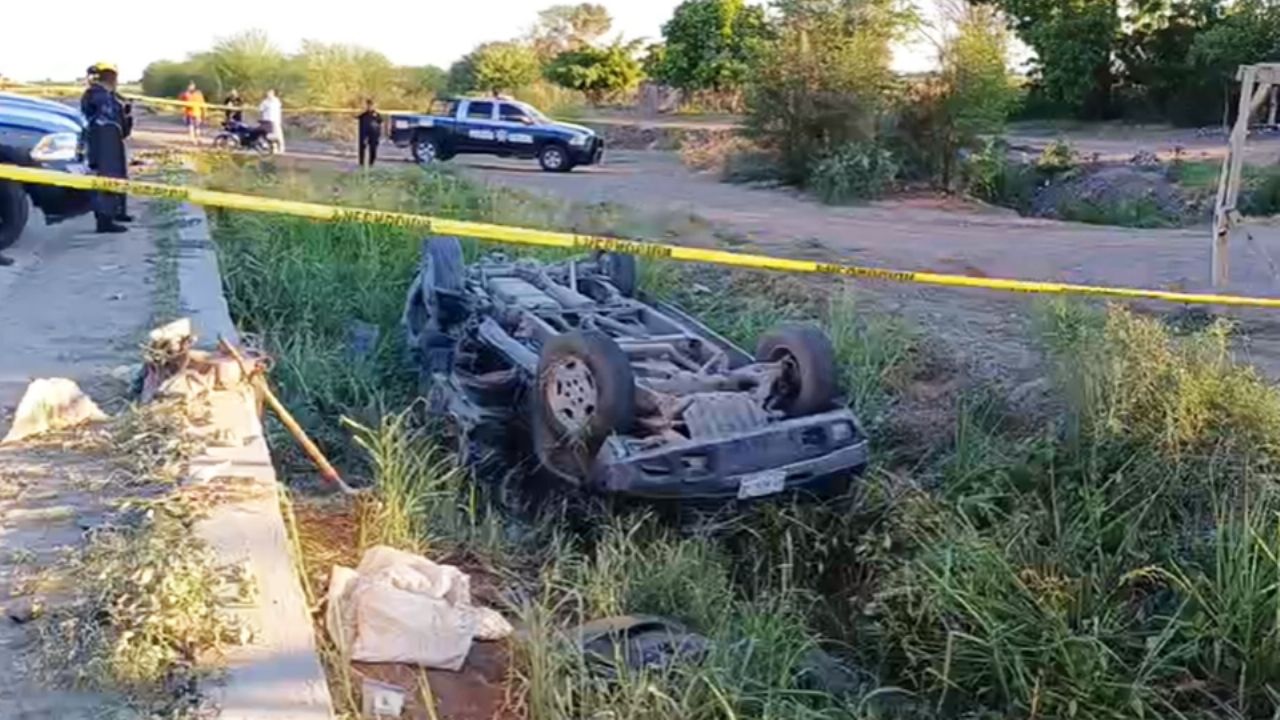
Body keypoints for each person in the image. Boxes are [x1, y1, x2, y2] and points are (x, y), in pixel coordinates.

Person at [80, 62, 130, 233]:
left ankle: (117, 211)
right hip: (102, 138)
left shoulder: (110, 96)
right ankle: (104, 219)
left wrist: (126, 112)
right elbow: (104, 116)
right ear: (110, 78)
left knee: (118, 173)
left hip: (112, 137)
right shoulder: (97, 95)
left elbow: (123, 124)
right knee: (107, 175)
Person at [357, 98, 382, 167]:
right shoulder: (363, 115)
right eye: (368, 105)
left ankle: (371, 162)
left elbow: (380, 122)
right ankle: (361, 162)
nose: (369, 107)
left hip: (373, 133)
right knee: (362, 146)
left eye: (371, 105)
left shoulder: (377, 115)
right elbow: (357, 117)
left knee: (373, 148)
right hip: (364, 132)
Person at [258, 89, 284, 154]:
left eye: (270, 93)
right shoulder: (265, 102)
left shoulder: (276, 101)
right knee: (270, 136)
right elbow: (260, 109)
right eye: (268, 93)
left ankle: (281, 148)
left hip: (275, 121)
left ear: (273, 94)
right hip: (267, 121)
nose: (268, 95)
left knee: (278, 135)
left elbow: (279, 108)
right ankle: (273, 148)